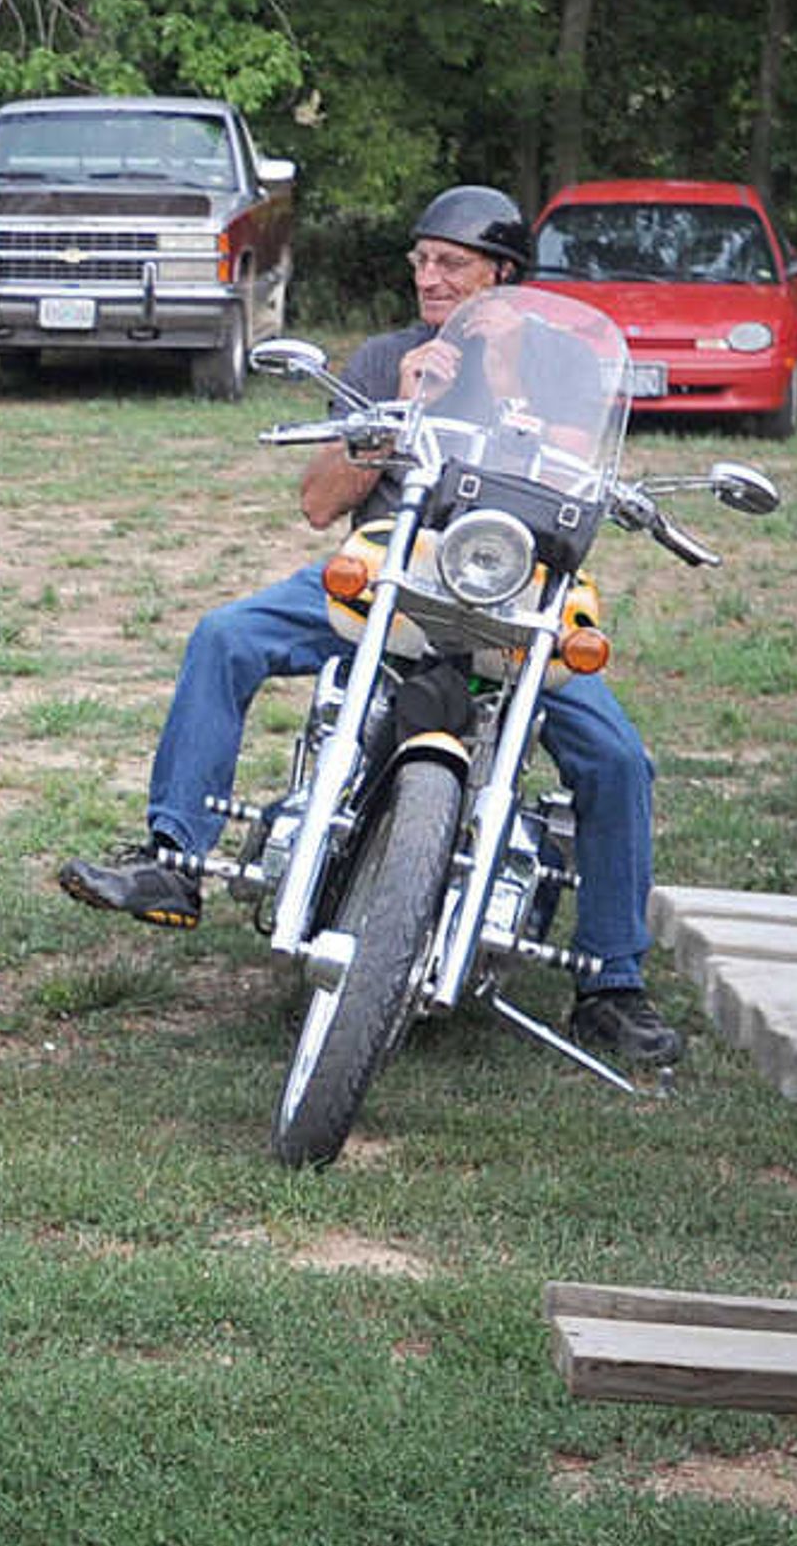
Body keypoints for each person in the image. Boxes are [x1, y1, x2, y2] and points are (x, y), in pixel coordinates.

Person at [55, 185, 680, 1068]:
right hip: (382, 574)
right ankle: (176, 856)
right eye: (421, 261)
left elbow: (580, 476)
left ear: (503, 274)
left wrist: (494, 375)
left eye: (452, 264)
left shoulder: (561, 368)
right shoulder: (390, 354)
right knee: (226, 635)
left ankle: (612, 983)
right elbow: (317, 504)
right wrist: (400, 415)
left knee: (615, 757)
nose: (429, 277)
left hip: (514, 592)